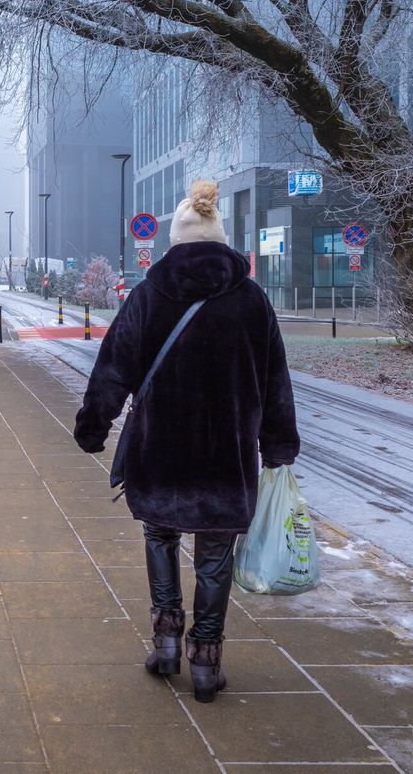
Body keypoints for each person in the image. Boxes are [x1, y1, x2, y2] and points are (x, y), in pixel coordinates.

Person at [72, 179, 299, 704]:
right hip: (227, 456)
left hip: (162, 451)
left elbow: (113, 368)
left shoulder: (149, 296)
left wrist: (93, 428)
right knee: (216, 555)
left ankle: (166, 643)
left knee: (160, 536)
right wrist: (279, 447)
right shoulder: (252, 300)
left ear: (175, 242)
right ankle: (206, 662)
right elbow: (275, 383)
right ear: (221, 242)